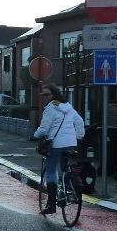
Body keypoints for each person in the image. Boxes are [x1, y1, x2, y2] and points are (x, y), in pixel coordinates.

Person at [32, 83, 85, 215]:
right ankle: (68, 190)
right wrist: (78, 136)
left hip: (56, 145)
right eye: (44, 95)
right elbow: (79, 122)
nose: (45, 97)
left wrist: (35, 135)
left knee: (51, 171)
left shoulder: (50, 109)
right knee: (65, 168)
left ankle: (51, 205)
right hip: (70, 143)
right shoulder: (69, 107)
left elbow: (44, 128)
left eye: (47, 95)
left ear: (54, 94)